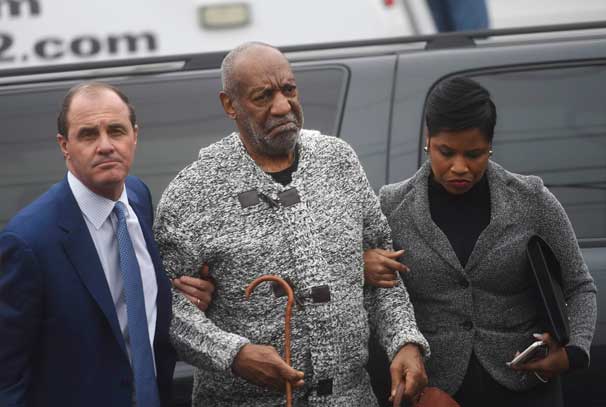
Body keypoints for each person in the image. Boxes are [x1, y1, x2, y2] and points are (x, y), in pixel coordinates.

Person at [153, 41, 430, 407]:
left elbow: (384, 270)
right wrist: (234, 354)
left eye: (289, 89)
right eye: (263, 96)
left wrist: (405, 341)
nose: (283, 106)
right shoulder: (194, 191)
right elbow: (163, 306)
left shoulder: (338, 161)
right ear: (229, 105)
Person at [365, 76, 597, 406]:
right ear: (428, 139)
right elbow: (368, 295)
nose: (460, 167)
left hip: (526, 388)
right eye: (447, 152)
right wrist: (361, 264)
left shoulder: (531, 199)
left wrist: (574, 353)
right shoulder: (391, 206)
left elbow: (579, 285)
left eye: (474, 154)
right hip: (435, 393)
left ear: (490, 145)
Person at [0, 82, 212, 407]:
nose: (105, 146)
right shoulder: (27, 242)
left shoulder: (138, 197)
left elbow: (132, 301)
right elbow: (8, 376)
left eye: (116, 130)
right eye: (88, 134)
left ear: (135, 135)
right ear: (64, 145)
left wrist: (176, 293)